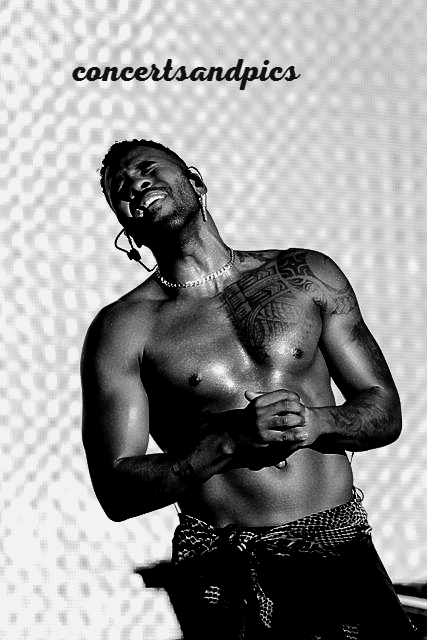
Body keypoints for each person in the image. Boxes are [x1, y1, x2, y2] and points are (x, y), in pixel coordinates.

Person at [81, 139, 416, 639]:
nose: (135, 184)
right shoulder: (122, 330)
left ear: (195, 182)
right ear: (125, 228)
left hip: (340, 553)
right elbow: (115, 489)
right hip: (225, 571)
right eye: (119, 190)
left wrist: (316, 422)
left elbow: (385, 410)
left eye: (148, 168)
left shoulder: (306, 276)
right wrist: (227, 442)